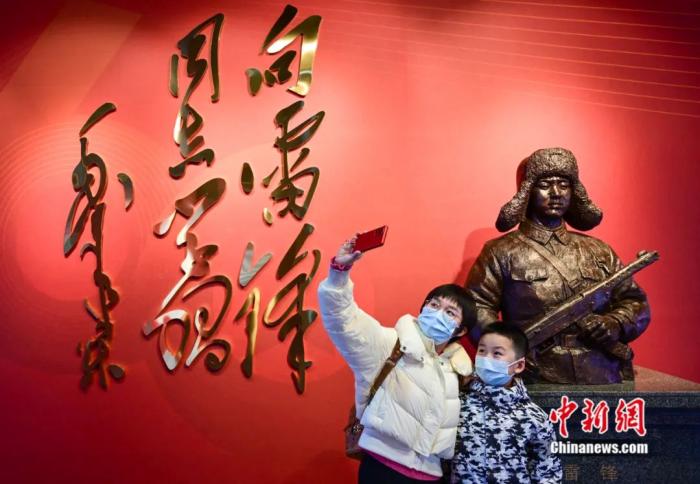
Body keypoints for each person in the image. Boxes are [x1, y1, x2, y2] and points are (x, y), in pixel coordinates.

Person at [466, 147, 650, 384]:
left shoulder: (599, 250)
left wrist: (615, 323)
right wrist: (507, 351)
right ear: (527, 191)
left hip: (599, 372)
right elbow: (478, 306)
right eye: (545, 185)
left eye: (564, 185)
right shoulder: (500, 251)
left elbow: (635, 302)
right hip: (534, 372)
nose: (556, 193)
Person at [317, 234, 477, 483]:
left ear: (461, 330)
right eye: (434, 305)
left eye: (450, 312)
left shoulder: (457, 370)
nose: (437, 314)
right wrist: (339, 272)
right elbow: (343, 319)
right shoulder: (391, 343)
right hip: (383, 469)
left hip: (430, 476)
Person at [451, 322, 562, 483]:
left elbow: (548, 470)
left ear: (519, 365)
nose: (486, 358)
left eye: (497, 353)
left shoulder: (534, 416)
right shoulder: (459, 403)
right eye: (482, 351)